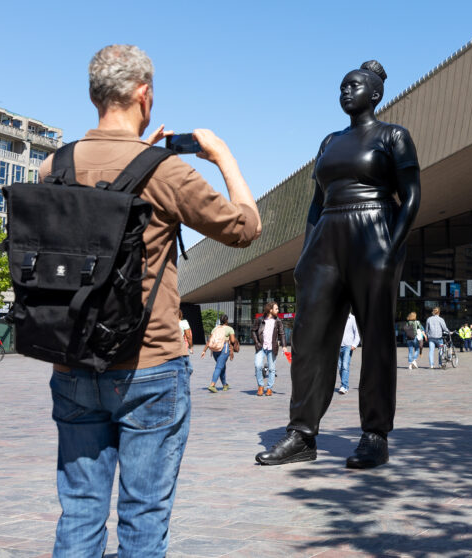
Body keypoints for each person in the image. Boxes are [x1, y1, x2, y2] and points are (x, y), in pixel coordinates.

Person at [38, 44, 261, 557]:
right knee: (143, 517)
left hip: (73, 363)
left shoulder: (53, 165)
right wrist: (220, 154)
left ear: (95, 95)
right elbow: (246, 228)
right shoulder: (163, 171)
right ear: (145, 94)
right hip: (149, 365)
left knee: (80, 512)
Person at [255, 60, 420, 470]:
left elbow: (412, 196)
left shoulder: (393, 136)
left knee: (377, 340)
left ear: (375, 94)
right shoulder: (329, 140)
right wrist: (305, 254)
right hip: (327, 237)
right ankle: (302, 433)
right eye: (342, 86)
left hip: (373, 231)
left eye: (354, 85)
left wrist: (390, 248)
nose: (346, 92)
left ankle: (375, 435)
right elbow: (315, 203)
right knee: (310, 340)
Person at [251, 301, 287, 396]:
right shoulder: (260, 320)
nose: (278, 310)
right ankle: (260, 386)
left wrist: (284, 346)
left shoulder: (278, 321)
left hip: (272, 347)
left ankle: (269, 388)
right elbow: (253, 331)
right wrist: (257, 343)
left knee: (271, 369)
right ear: (270, 310)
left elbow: (282, 334)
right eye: (276, 309)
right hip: (261, 347)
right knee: (258, 365)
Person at [200, 314, 237, 393]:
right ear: (227, 321)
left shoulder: (215, 328)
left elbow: (209, 341)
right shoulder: (230, 329)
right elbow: (233, 341)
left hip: (214, 350)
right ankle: (212, 385)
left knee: (221, 366)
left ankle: (224, 385)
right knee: (219, 367)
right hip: (224, 348)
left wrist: (204, 351)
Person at [337, 313, 360, 394]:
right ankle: (345, 385)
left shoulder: (352, 318)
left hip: (348, 346)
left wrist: (354, 345)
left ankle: (344, 386)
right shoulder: (337, 317)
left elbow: (357, 333)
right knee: (340, 367)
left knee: (345, 365)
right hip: (338, 346)